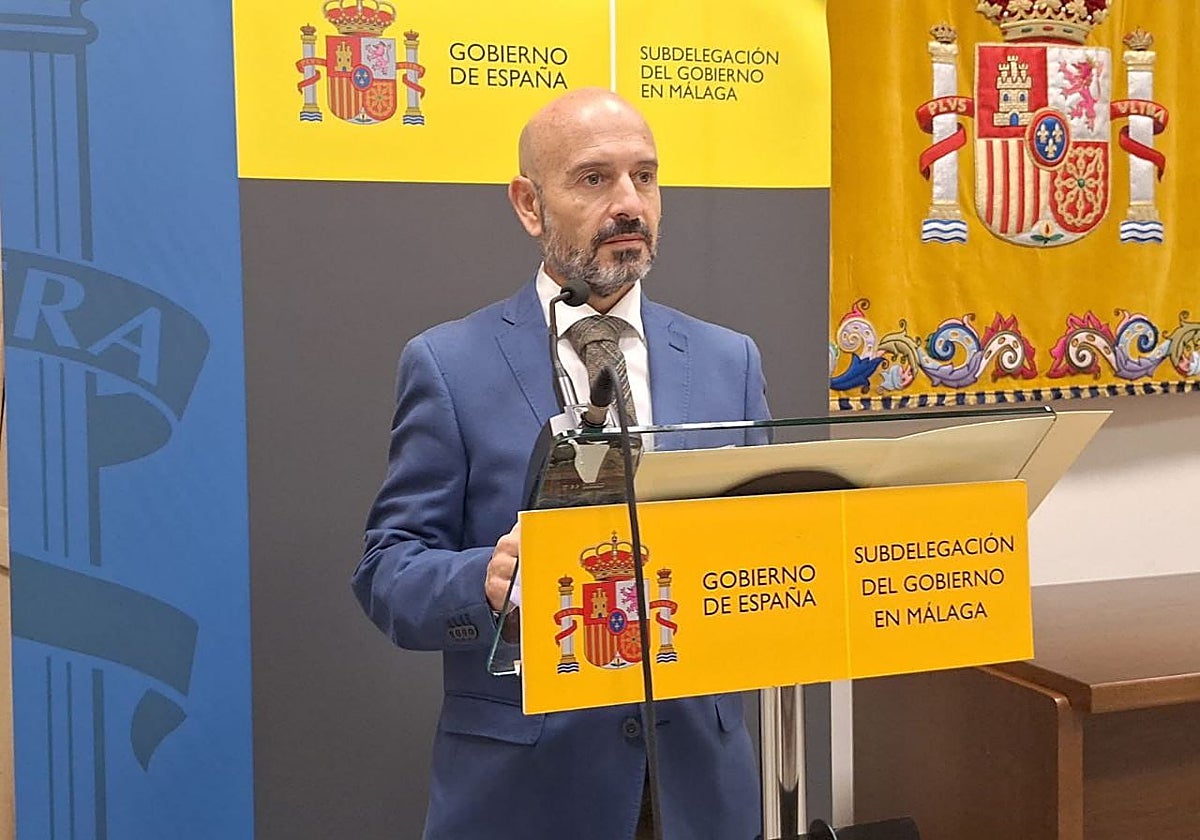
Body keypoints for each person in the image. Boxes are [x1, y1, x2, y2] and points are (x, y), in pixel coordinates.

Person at [353, 88, 769, 840]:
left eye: (645, 177)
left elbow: (771, 546)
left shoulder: (728, 360)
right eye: (593, 179)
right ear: (529, 204)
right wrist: (483, 580)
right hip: (527, 793)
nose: (629, 203)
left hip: (696, 790)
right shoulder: (449, 364)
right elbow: (389, 574)